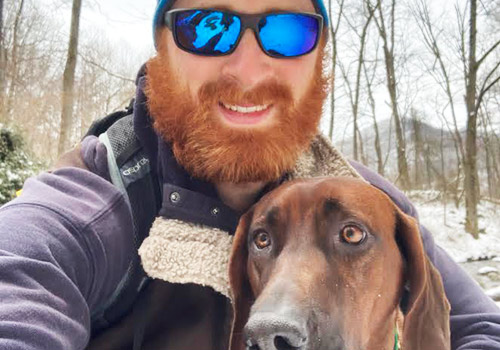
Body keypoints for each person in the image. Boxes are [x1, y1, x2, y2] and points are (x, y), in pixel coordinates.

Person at [0, 0, 499, 349]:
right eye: (205, 27)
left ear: (318, 55)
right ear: (162, 49)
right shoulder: (93, 203)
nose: (249, 70)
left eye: (287, 32)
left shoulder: (370, 200)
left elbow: (480, 328)